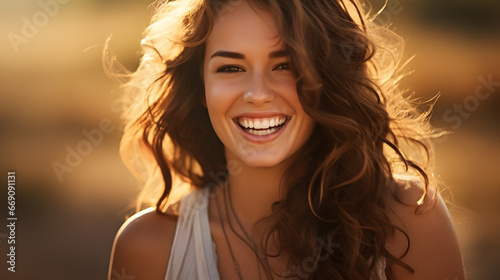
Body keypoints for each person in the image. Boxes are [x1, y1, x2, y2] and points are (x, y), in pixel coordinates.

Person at [107, 0, 465, 279]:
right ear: (200, 87)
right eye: (230, 68)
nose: (258, 94)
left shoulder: (410, 218)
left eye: (286, 65)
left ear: (327, 76)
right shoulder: (147, 248)